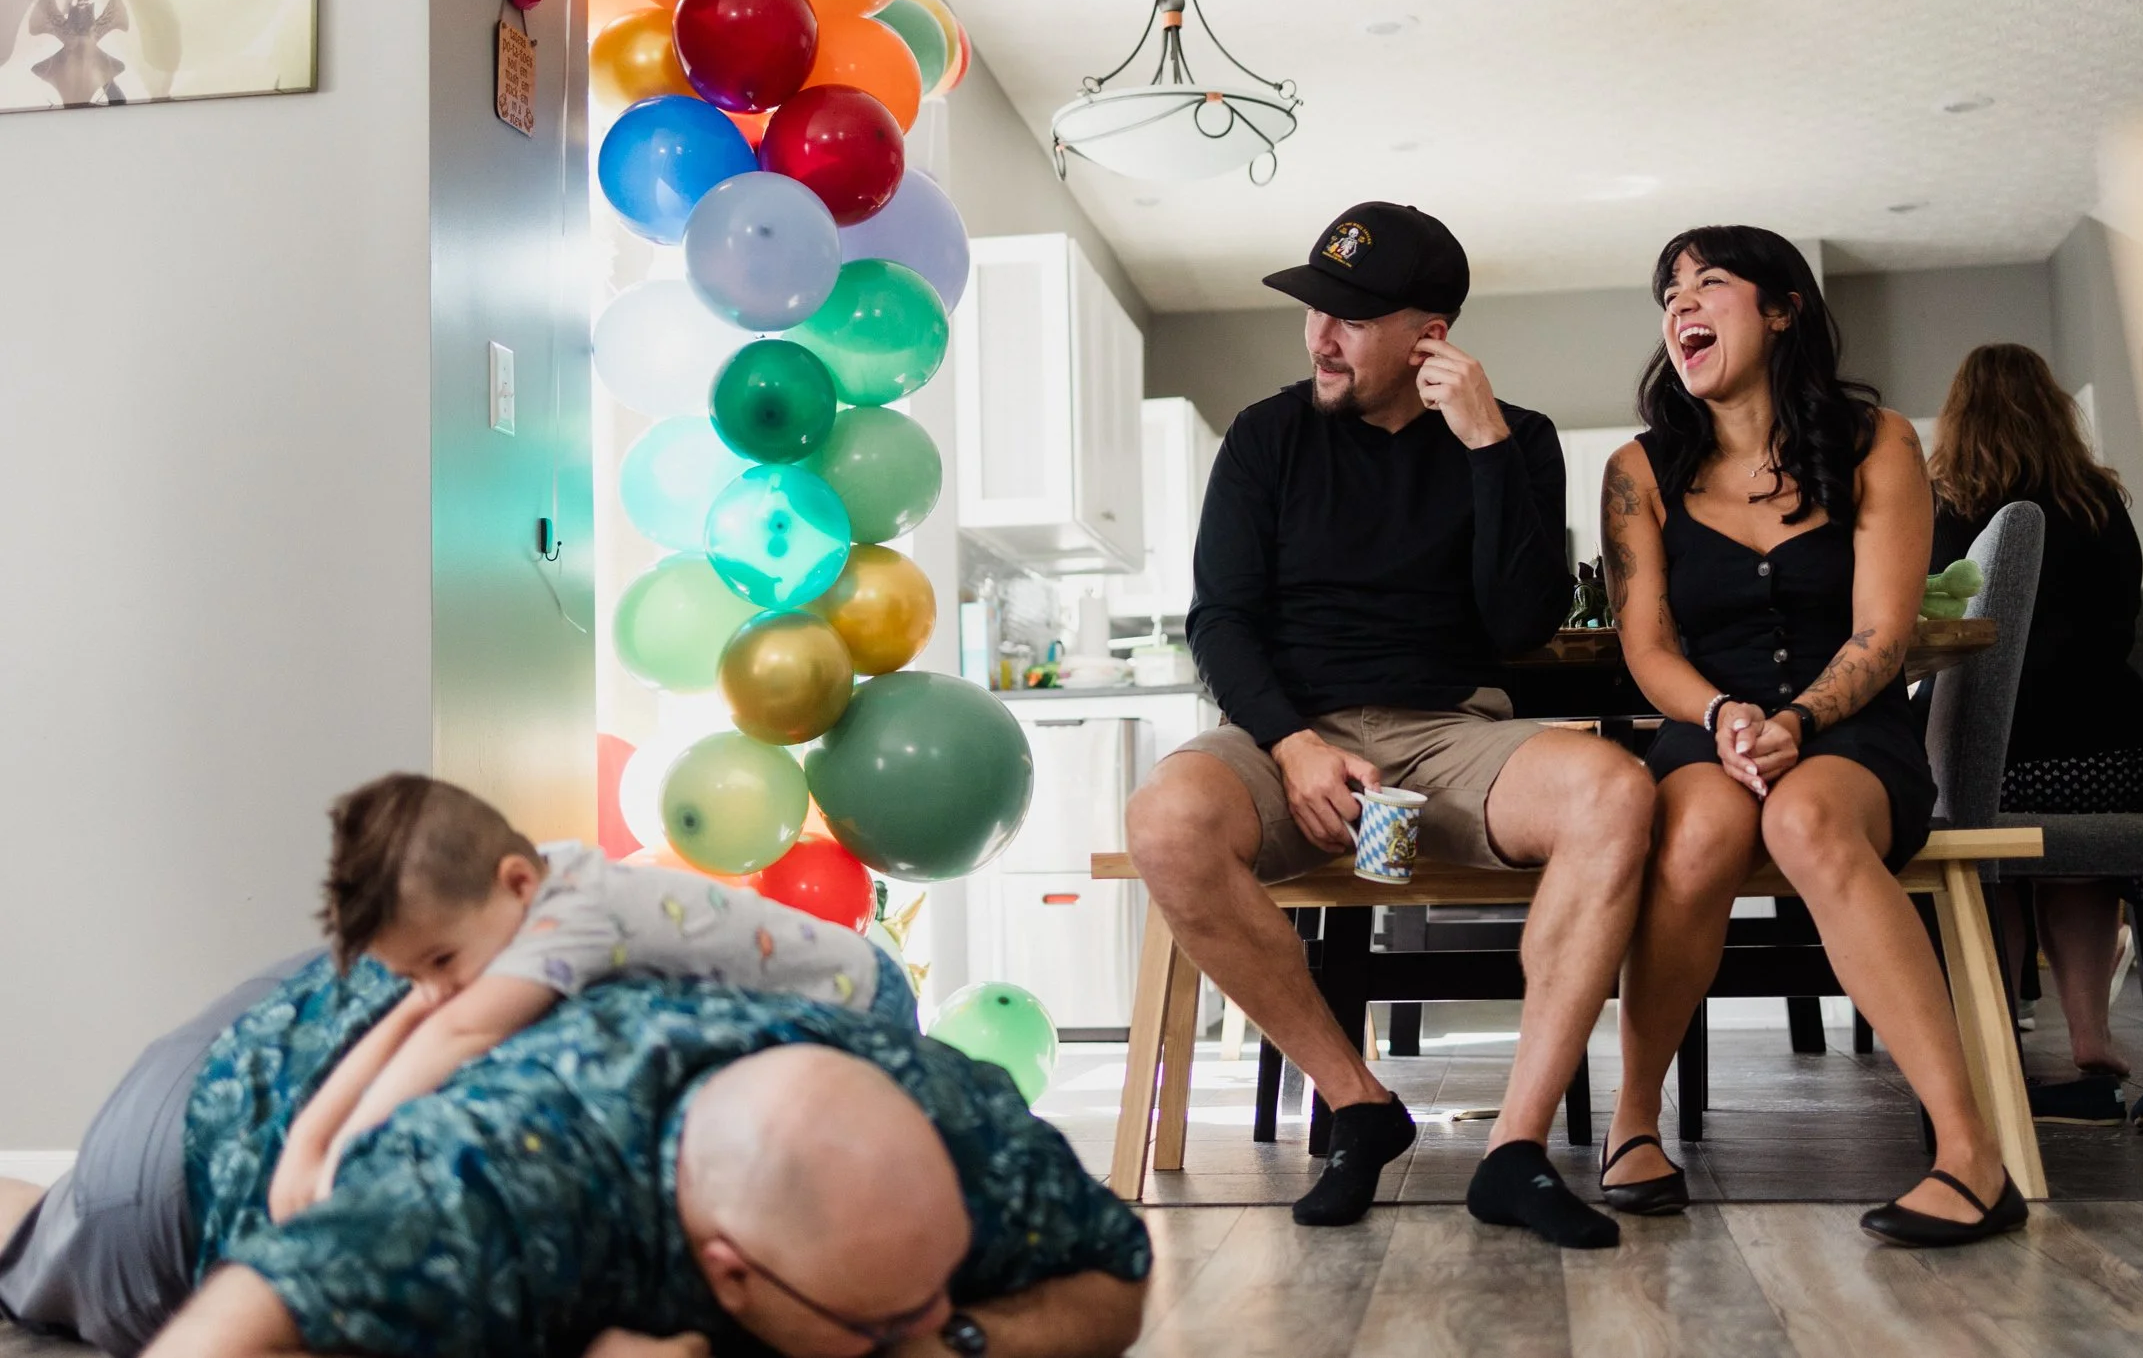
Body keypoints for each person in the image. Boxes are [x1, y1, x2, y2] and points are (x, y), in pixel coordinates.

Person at [1125, 201, 1655, 1247]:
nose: (1320, 336)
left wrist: (1487, 448)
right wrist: (1292, 743)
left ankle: (1514, 1148)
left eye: (1352, 319)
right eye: (1314, 309)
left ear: (1429, 336)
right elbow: (1218, 620)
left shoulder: (1514, 438)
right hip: (1290, 733)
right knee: (1164, 820)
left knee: (1616, 790)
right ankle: (1359, 1103)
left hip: (1452, 731)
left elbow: (1520, 625)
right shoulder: (1266, 435)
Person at [7, 956, 1149, 1358]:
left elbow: (1115, 1273)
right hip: (205, 1133)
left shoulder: (947, 1121)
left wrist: (962, 1340)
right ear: (727, 1269)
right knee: (34, 1242)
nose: (930, 1316)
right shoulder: (489, 1193)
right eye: (881, 1322)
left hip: (446, 1007)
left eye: (944, 1280)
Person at [1598, 224, 2024, 1246]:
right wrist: (1721, 714)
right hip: (1706, 726)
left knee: (1805, 820)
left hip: (1851, 730)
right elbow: (1646, 647)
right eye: (1668, 292)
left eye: (1707, 282)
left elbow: (1883, 632)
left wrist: (1797, 719)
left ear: (1783, 308)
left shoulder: (1878, 441)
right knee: (1694, 833)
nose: (1679, 304)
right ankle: (1632, 1123)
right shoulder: (1637, 469)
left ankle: (1970, 1155)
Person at [269, 773, 898, 1217]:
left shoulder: (571, 917)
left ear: (519, 882)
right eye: (414, 972)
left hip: (855, 994)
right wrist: (305, 1143)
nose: (437, 988)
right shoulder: (514, 894)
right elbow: (420, 1012)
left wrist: (343, 1158)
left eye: (441, 961)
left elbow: (456, 1031)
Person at [1929, 344, 2143, 1130]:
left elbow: (1936, 627)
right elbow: (2120, 628)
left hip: (2000, 763)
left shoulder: (1950, 505)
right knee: (2075, 865)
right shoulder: (2101, 502)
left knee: (1979, 849)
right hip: (2116, 759)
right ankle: (2091, 1032)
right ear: (2055, 409)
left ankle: (1994, 1038)